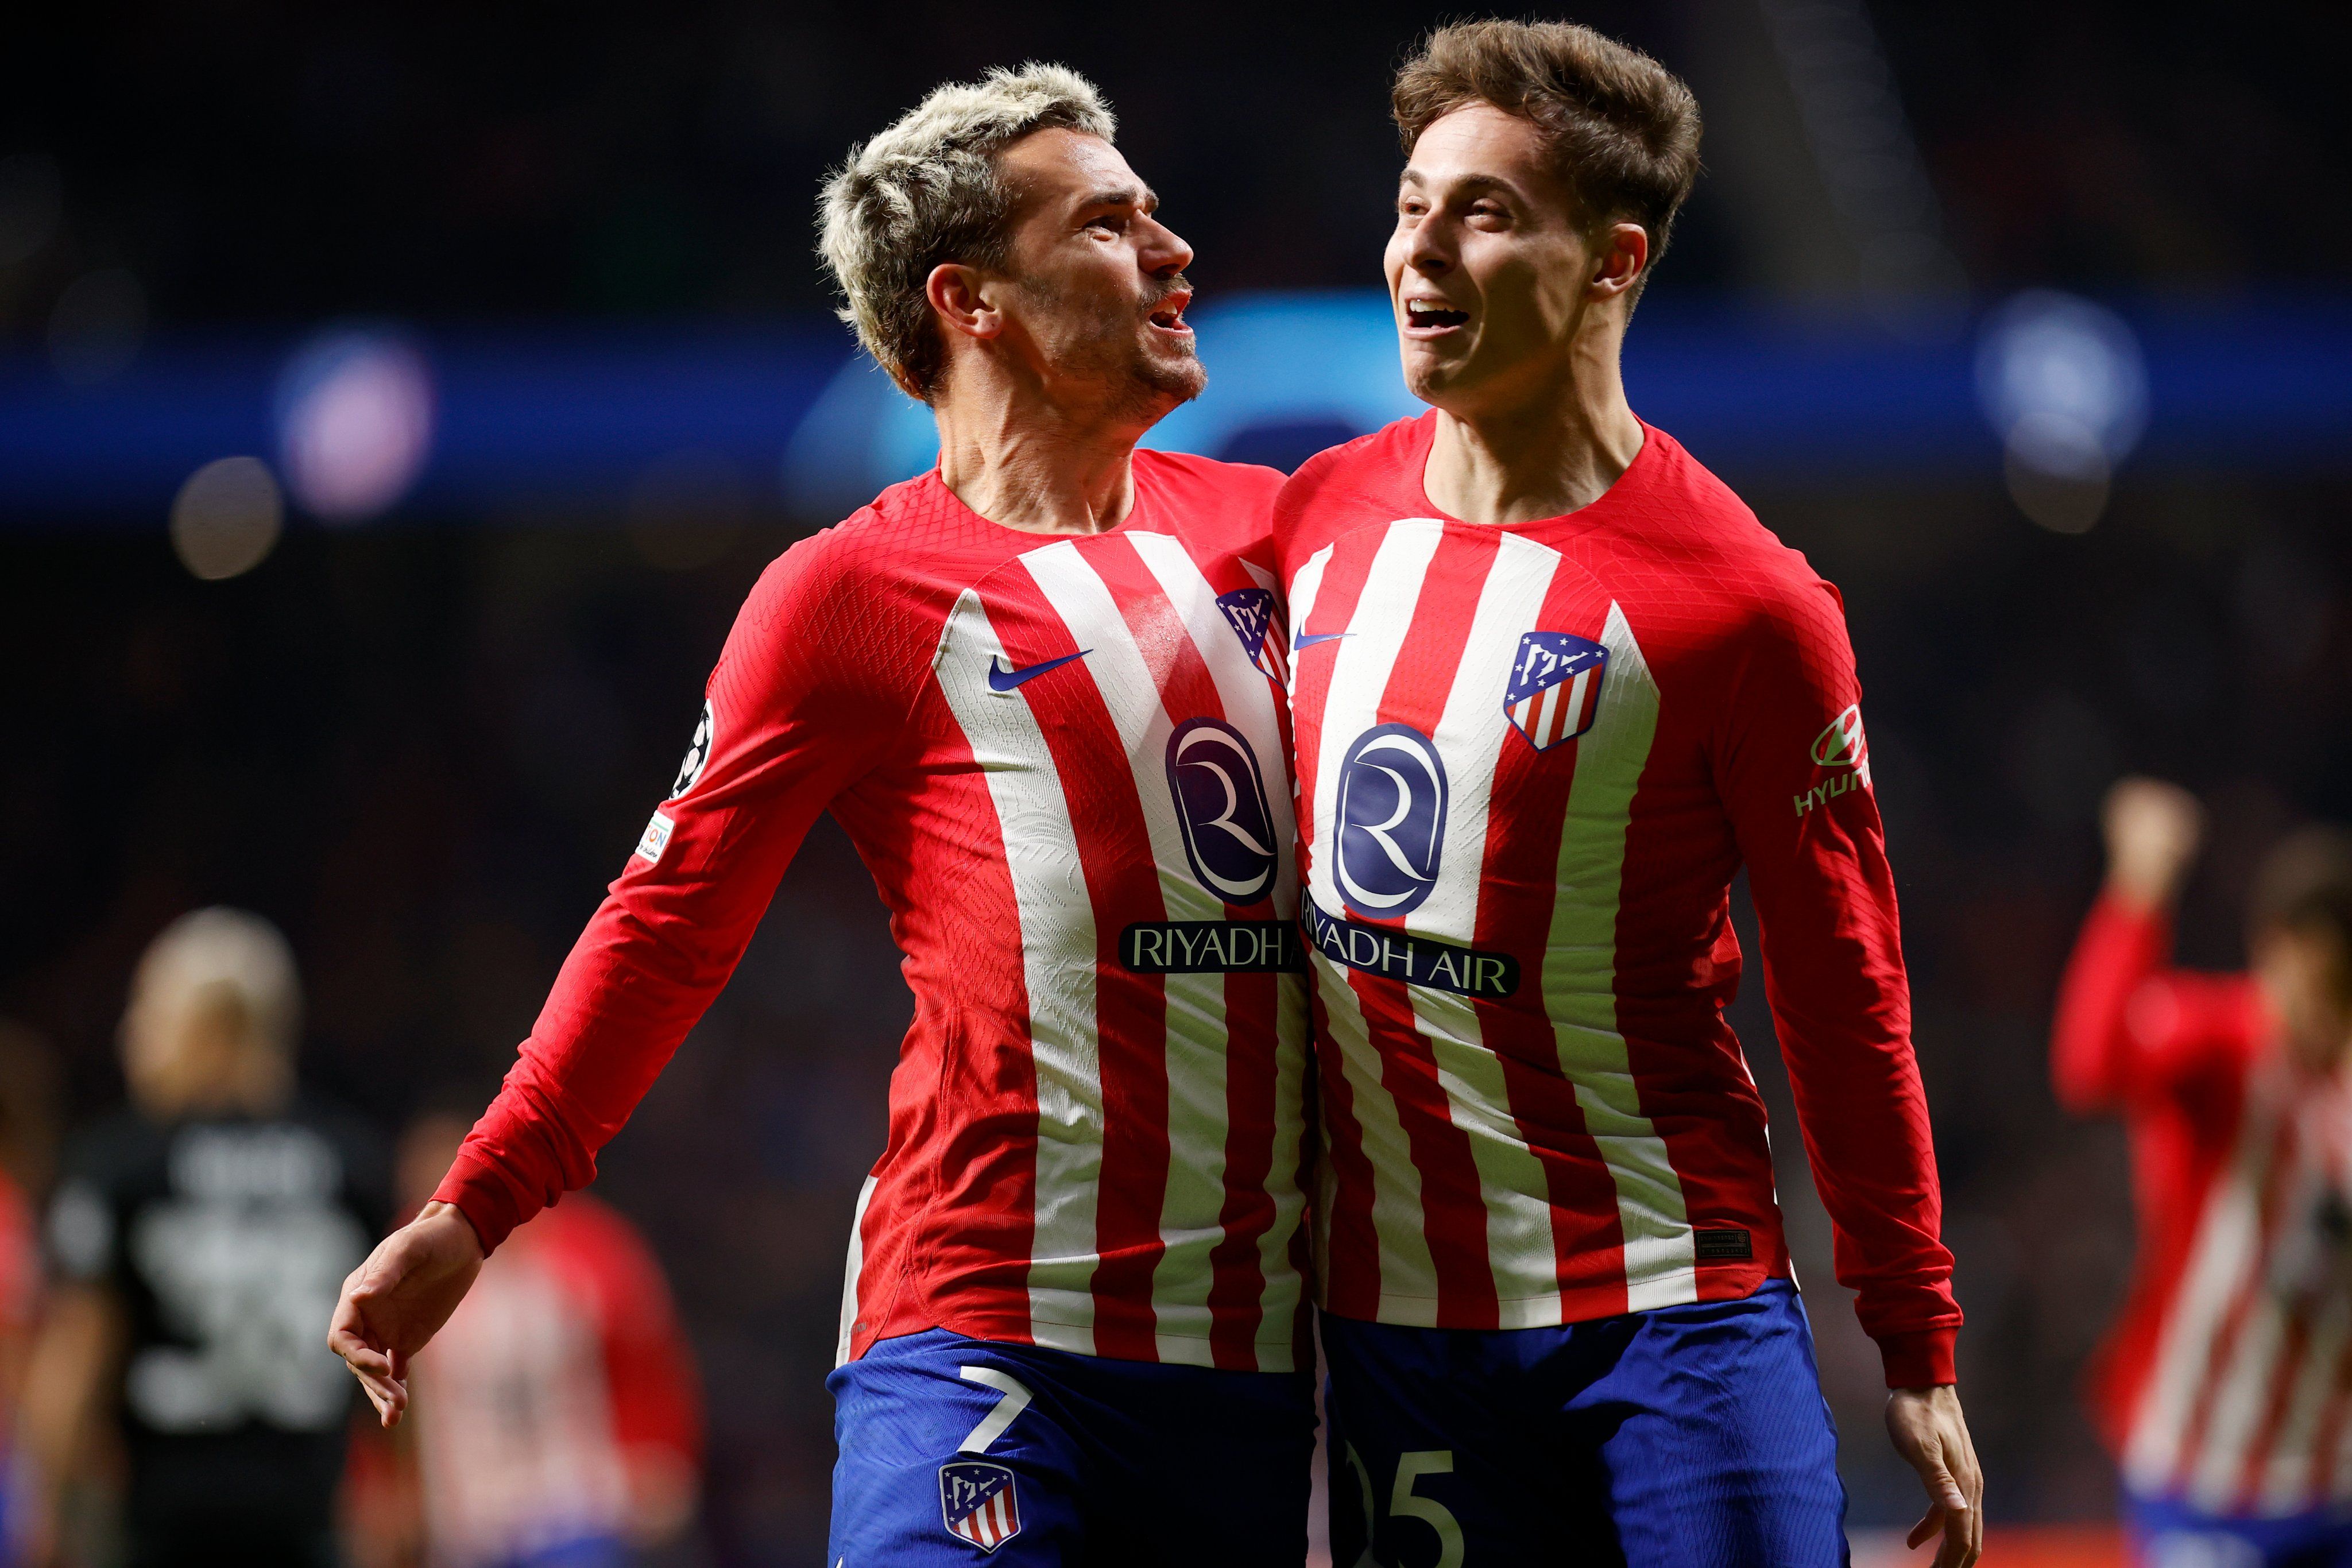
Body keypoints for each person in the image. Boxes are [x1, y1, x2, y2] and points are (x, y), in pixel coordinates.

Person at [330, 65, 1320, 1565]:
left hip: (1257, 1357)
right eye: (1107, 224)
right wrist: (476, 1207)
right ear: (971, 302)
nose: (1171, 251)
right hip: (984, 1332)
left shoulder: (1281, 534)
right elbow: (666, 923)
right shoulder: (849, 594)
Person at [1273, 21, 1980, 1567]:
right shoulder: (1315, 523)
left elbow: (1842, 987)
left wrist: (1913, 1331)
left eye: (1482, 213)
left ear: (1613, 262)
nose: (1419, 250)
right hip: (1407, 1335)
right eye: (1410, 205)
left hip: (1672, 1312)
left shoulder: (1746, 608)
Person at [22, 908, 388, 1566]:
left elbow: (79, 1353)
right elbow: (396, 1352)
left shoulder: (122, 1165)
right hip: (307, 1528)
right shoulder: (348, 1164)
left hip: (165, 1528)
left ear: (213, 1024)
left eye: (148, 1009)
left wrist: (44, 1509)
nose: (131, 1033)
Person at [2054, 779, 2352, 1567]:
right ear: (2273, 950)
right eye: (2315, 981)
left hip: (2335, 1481)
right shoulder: (2222, 1043)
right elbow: (2090, 1063)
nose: (2322, 1014)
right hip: (2202, 1473)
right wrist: (2136, 891)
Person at [390, 1109, 701, 1568]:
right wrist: (383, 1490)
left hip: (575, 1514)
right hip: (466, 1529)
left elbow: (650, 1365)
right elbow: (380, 1401)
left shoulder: (589, 1256)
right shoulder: (404, 1280)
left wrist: (663, 1454)